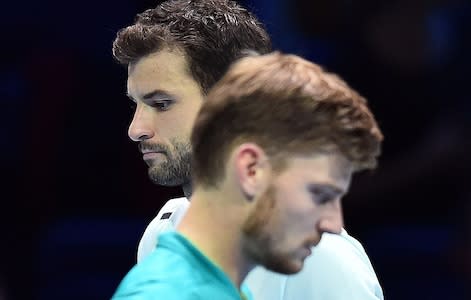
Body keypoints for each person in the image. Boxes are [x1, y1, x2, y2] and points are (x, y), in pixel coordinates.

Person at [112, 1, 384, 299]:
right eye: (135, 104)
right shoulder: (162, 232)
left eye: (161, 104)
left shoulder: (321, 259)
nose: (136, 129)